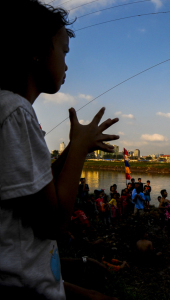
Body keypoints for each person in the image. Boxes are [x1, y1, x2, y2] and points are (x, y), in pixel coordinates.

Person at [0, 1, 119, 298]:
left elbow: (38, 191)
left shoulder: (11, 111)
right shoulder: (16, 113)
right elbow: (53, 224)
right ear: (35, 52)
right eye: (64, 51)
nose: (67, 63)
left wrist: (70, 150)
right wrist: (77, 150)